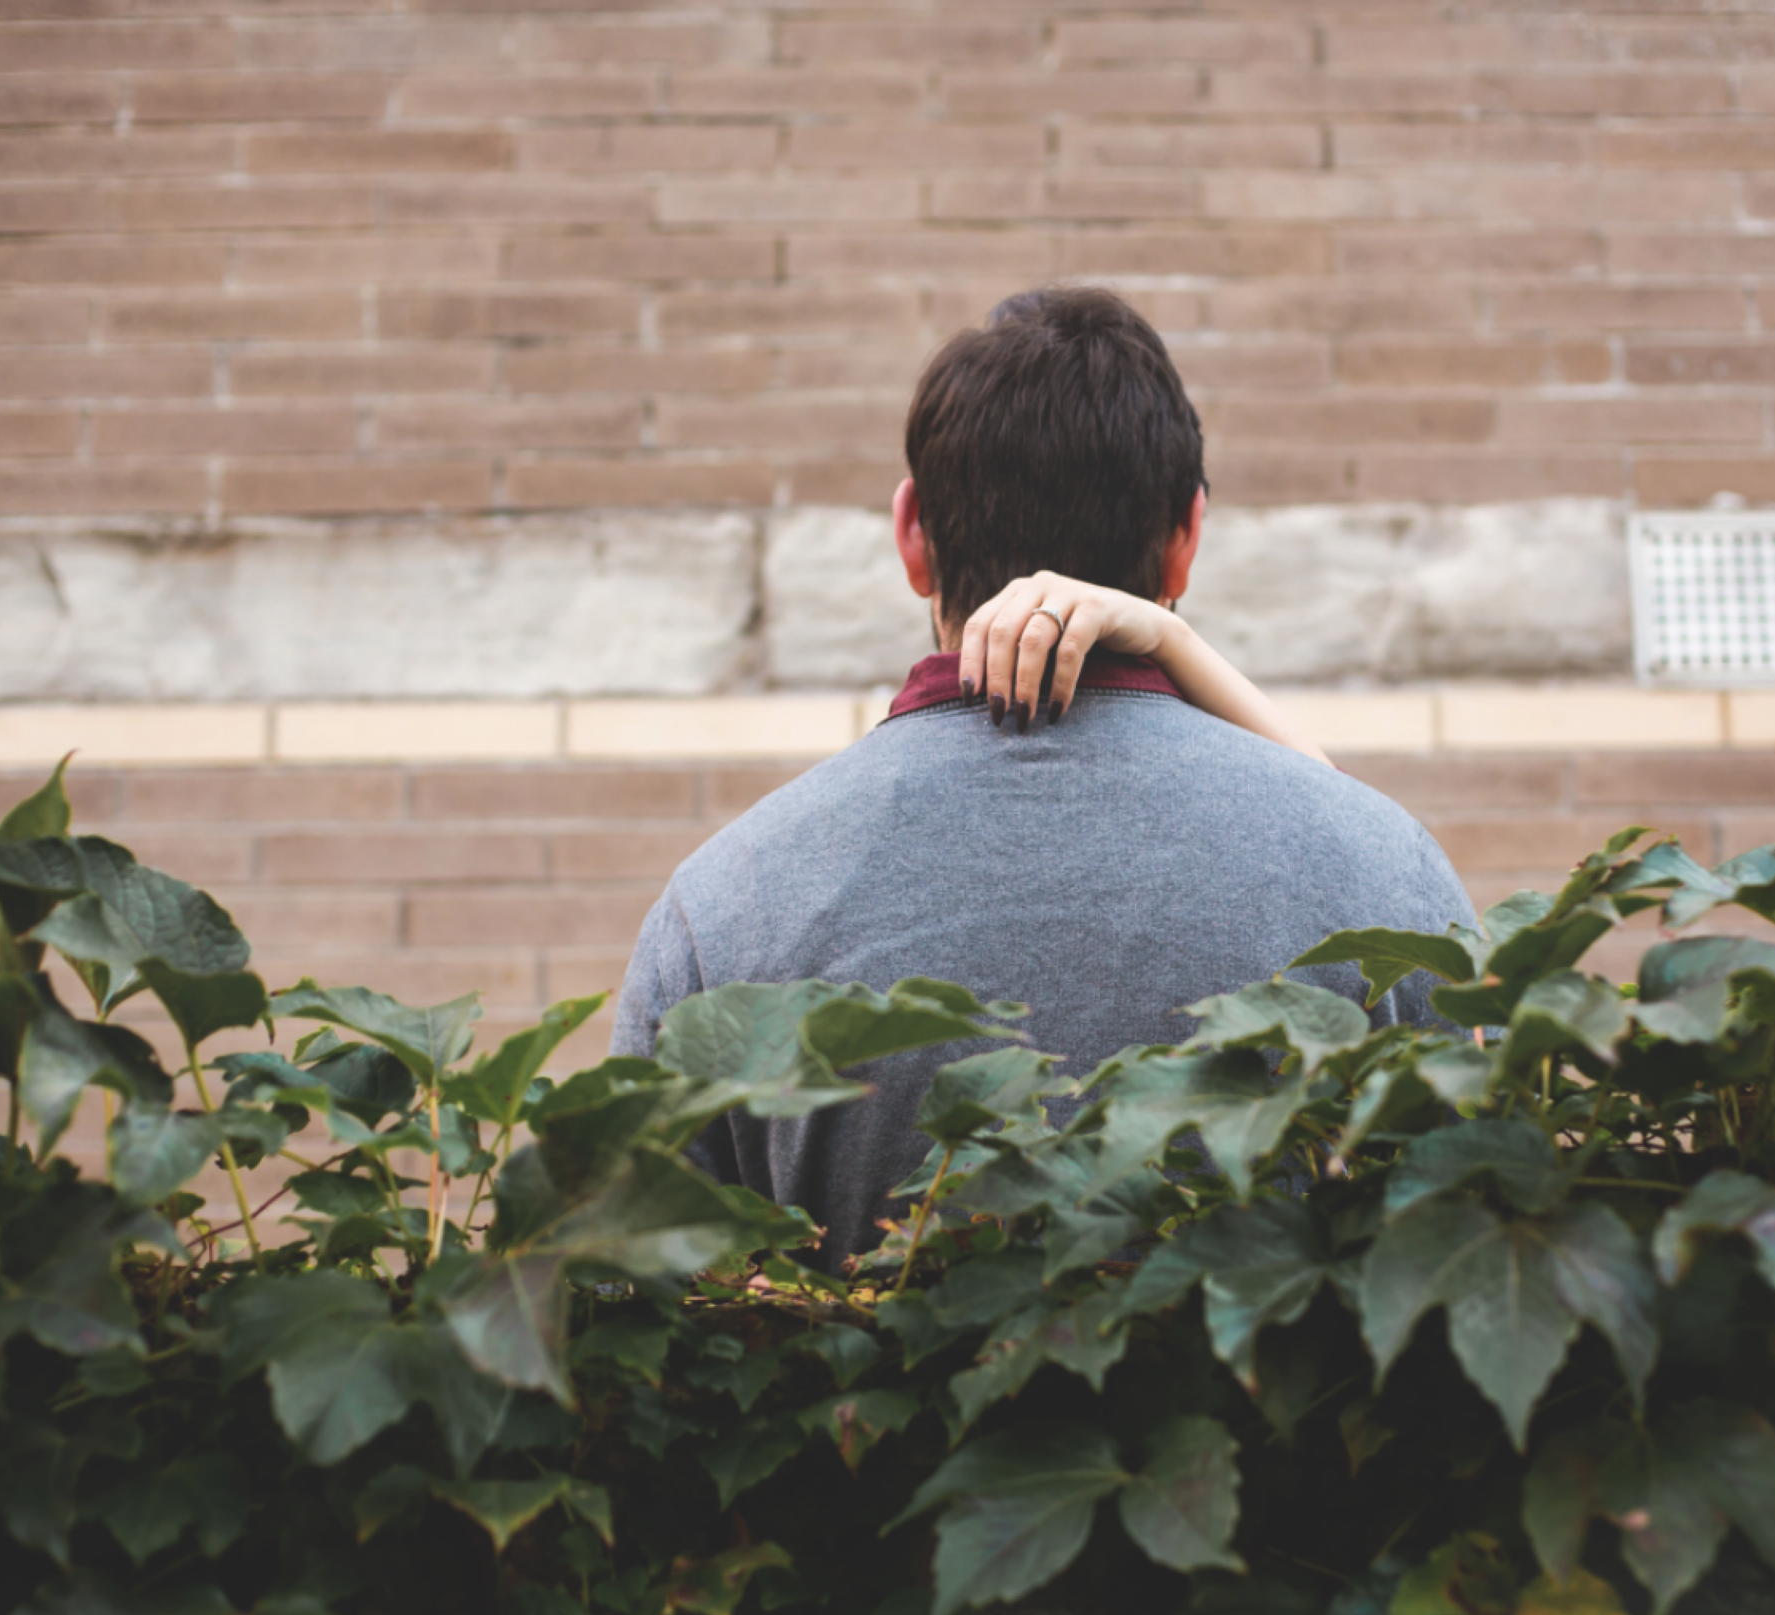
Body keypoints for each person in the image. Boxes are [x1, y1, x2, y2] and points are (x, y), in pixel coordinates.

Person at [610, 286, 1478, 1264]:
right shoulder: (1380, 870)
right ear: (1187, 533)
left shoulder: (722, 904)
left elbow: (631, 1307)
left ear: (911, 535)